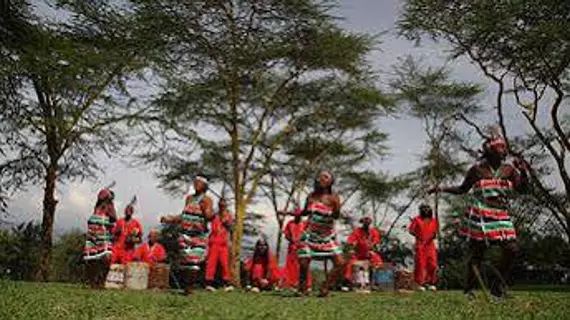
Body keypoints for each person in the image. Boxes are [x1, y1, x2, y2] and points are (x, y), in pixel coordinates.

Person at [429, 134, 529, 300]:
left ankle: (497, 286)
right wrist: (441, 189)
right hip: (480, 213)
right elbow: (462, 189)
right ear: (489, 150)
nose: (503, 150)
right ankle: (469, 290)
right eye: (500, 147)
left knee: (512, 250)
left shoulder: (509, 170)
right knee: (478, 253)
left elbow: (523, 190)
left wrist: (524, 171)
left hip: (501, 213)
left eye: (504, 147)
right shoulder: (476, 170)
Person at [160, 174, 214, 295]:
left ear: (205, 185)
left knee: (194, 263)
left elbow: (209, 216)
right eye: (195, 182)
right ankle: (186, 289)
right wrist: (170, 219)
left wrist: (206, 210)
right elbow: (184, 216)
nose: (196, 184)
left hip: (198, 236)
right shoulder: (189, 198)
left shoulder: (207, 200)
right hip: (185, 234)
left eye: (199, 182)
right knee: (185, 262)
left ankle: (189, 289)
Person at [297, 171, 344, 297]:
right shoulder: (311, 196)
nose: (321, 179)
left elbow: (337, 215)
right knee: (303, 262)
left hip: (327, 236)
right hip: (311, 235)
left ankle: (325, 286)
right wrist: (297, 214)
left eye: (325, 177)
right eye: (319, 176)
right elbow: (306, 212)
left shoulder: (334, 198)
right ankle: (302, 289)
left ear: (331, 181)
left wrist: (328, 212)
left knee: (339, 263)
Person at [83, 184, 117, 289]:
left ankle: (101, 282)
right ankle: (93, 282)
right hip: (92, 236)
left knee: (106, 258)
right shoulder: (97, 207)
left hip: (104, 236)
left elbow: (113, 219)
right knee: (91, 260)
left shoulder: (109, 207)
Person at [344, 216, 383, 291]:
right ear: (362, 223)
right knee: (350, 264)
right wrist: (352, 244)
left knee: (378, 262)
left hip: (369, 254)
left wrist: (372, 245)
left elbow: (376, 242)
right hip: (358, 254)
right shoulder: (357, 231)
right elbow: (350, 241)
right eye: (365, 223)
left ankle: (375, 283)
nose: (366, 225)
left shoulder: (374, 232)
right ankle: (347, 283)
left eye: (368, 223)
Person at [205, 198, 234, 292]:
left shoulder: (229, 216)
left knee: (224, 264)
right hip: (213, 242)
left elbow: (231, 228)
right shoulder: (214, 215)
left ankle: (227, 284)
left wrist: (226, 223)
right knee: (211, 263)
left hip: (223, 243)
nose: (222, 206)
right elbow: (207, 218)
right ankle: (209, 283)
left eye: (223, 204)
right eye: (220, 204)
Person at [408, 204, 439, 291]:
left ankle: (431, 283)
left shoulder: (433, 220)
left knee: (433, 264)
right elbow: (411, 230)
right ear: (421, 210)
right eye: (424, 209)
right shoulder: (416, 219)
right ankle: (420, 283)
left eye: (428, 208)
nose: (426, 210)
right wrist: (418, 236)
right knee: (421, 265)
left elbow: (435, 232)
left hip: (430, 245)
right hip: (420, 245)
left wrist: (433, 236)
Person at [282, 208, 312, 290]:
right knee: (291, 266)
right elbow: (286, 234)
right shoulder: (290, 223)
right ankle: (292, 284)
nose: (298, 217)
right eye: (296, 215)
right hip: (292, 248)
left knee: (304, 265)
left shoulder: (305, 224)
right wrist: (292, 240)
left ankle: (307, 285)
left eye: (299, 215)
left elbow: (309, 233)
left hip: (303, 247)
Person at [111, 196, 143, 265]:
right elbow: (113, 236)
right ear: (124, 211)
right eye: (126, 210)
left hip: (128, 251)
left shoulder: (136, 223)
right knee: (112, 267)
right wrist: (116, 233)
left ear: (132, 212)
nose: (128, 212)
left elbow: (140, 240)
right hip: (117, 248)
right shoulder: (119, 221)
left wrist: (132, 240)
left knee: (126, 269)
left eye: (130, 211)